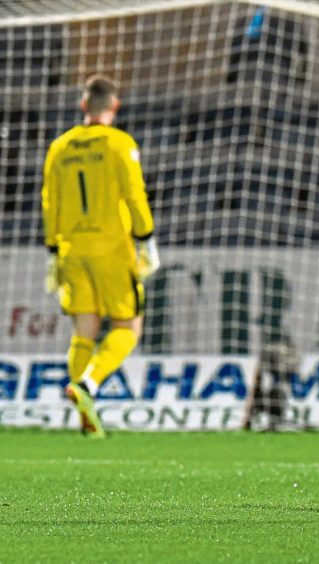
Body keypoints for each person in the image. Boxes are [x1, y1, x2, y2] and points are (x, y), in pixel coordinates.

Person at [41, 75, 160, 438]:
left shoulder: (60, 147)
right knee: (128, 328)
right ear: (115, 106)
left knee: (83, 332)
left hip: (72, 250)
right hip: (112, 248)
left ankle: (84, 416)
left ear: (83, 106)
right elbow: (135, 194)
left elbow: (50, 202)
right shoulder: (119, 144)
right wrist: (147, 238)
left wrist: (52, 249)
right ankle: (89, 386)